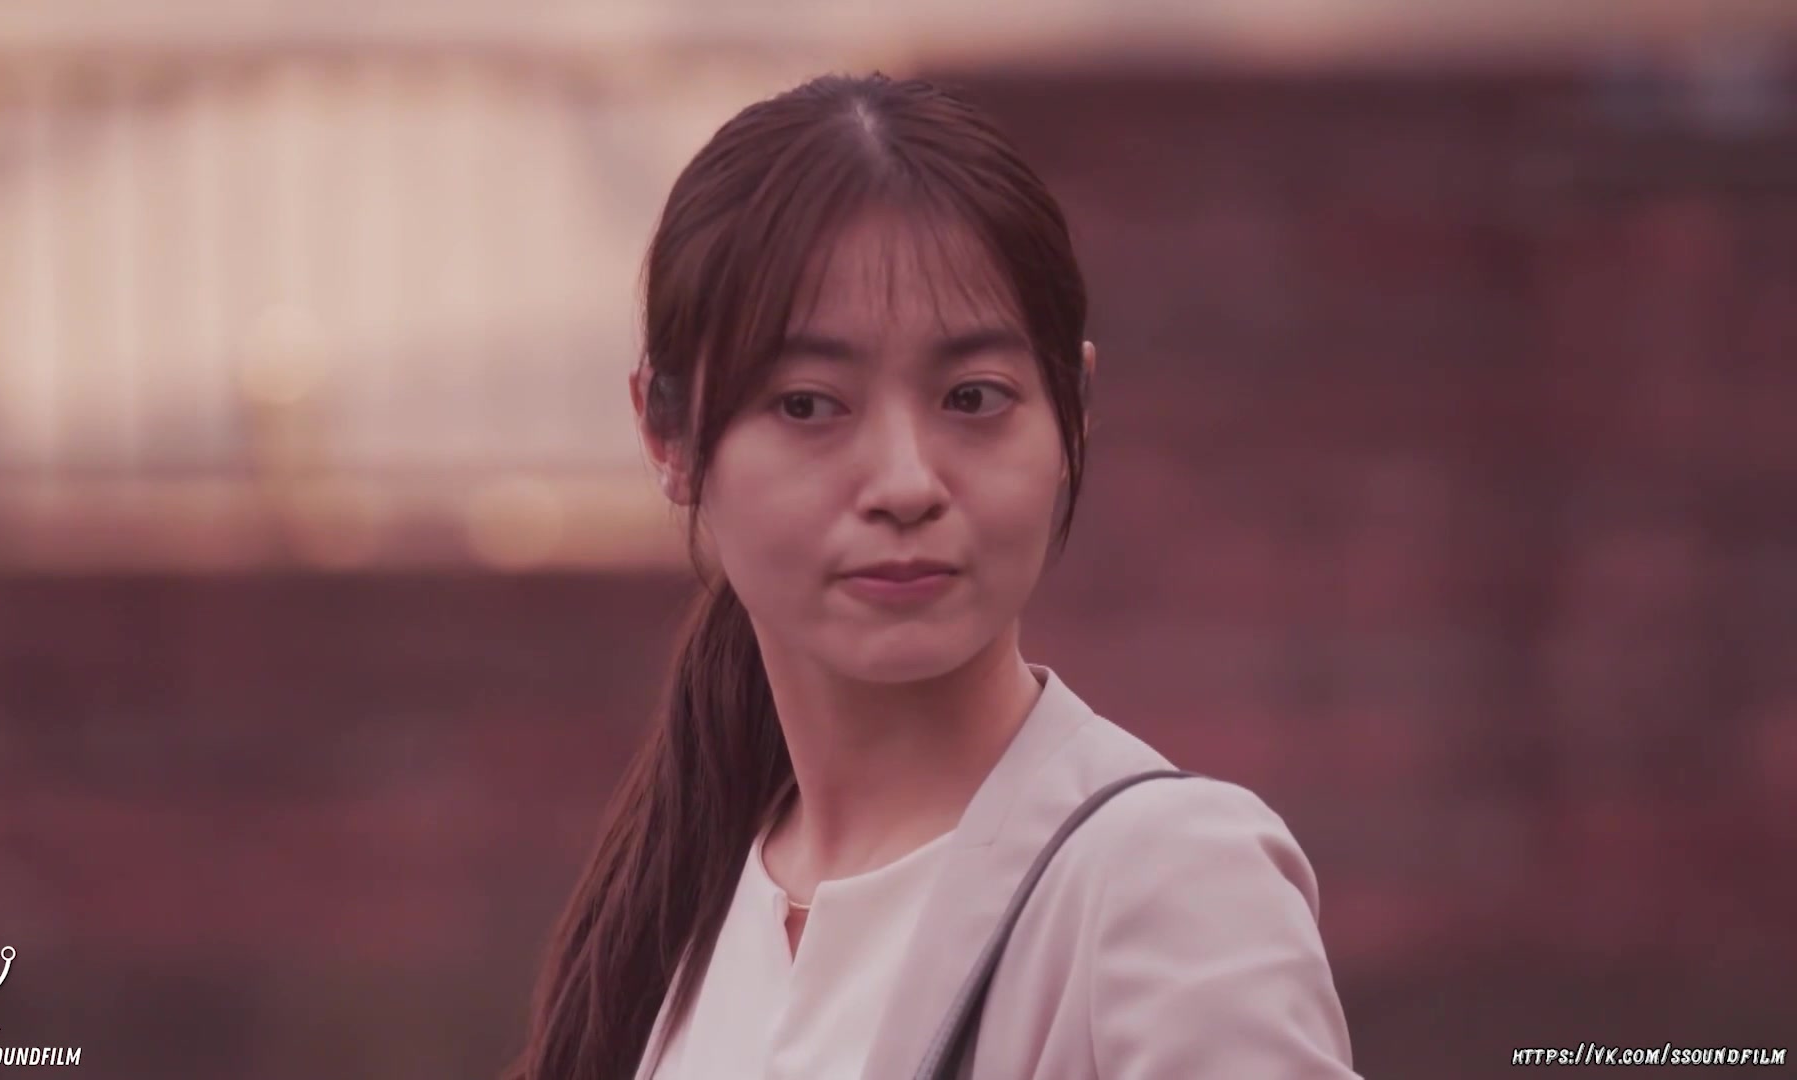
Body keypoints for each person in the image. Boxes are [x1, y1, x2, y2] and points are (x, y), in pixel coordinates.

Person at [506, 72, 1357, 1080]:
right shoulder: (675, 922)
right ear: (667, 433)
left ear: (1074, 411)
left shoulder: (1166, 887)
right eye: (808, 405)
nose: (907, 483)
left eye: (972, 397)